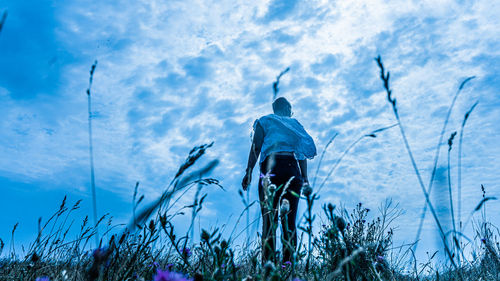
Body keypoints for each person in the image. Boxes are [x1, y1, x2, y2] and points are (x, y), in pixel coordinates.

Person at [242, 97, 316, 264]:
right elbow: (301, 154)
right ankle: (288, 267)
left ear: (274, 109)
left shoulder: (265, 121)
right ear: (288, 109)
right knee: (289, 221)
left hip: (271, 170)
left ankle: (268, 268)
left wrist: (249, 171)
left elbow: (256, 147)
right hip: (292, 170)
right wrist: (305, 179)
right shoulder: (295, 125)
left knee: (269, 220)